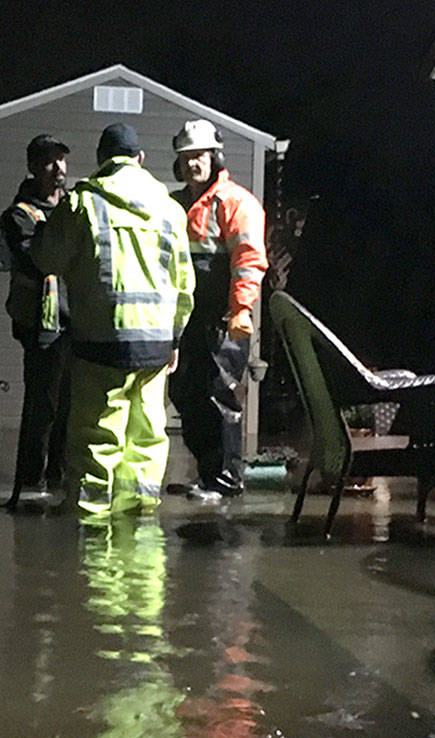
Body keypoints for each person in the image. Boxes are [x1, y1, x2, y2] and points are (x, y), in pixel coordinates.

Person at [30, 123, 195, 516]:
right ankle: (139, 519)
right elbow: (184, 284)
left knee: (97, 436)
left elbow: (46, 259)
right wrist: (175, 338)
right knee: (148, 436)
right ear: (140, 158)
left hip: (101, 343)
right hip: (155, 345)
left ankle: (92, 525)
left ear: (102, 159)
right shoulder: (169, 208)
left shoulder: (82, 202)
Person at [167, 119, 268, 501]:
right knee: (185, 394)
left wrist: (241, 309)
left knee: (219, 397)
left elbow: (248, 261)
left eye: (199, 156)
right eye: (186, 157)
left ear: (215, 158)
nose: (192, 163)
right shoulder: (175, 204)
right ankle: (208, 473)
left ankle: (225, 480)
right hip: (187, 321)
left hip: (222, 321)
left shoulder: (235, 202)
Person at [0, 134, 72, 510]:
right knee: (42, 404)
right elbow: (41, 260)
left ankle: (60, 475)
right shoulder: (18, 216)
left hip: (75, 322)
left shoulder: (74, 207)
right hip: (40, 326)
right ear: (32, 168)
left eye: (61, 160)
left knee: (70, 404)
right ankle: (31, 479)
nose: (57, 168)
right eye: (48, 161)